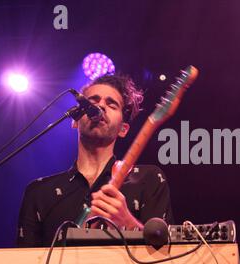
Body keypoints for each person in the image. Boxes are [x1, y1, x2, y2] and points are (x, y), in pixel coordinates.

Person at [17, 74, 174, 247]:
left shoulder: (149, 179)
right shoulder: (39, 192)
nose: (100, 106)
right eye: (93, 101)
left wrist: (128, 224)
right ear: (75, 121)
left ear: (123, 129)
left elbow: (166, 256)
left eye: (111, 104)